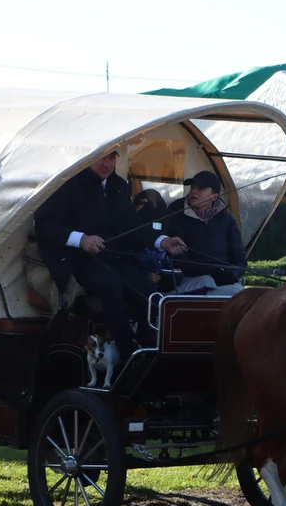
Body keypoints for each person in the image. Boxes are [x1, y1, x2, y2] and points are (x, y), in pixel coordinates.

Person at [34, 150, 187, 361]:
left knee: (146, 290)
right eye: (101, 158)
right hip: (81, 259)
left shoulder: (118, 186)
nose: (107, 164)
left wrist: (163, 241)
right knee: (111, 286)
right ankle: (127, 352)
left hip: (115, 257)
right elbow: (44, 225)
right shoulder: (68, 183)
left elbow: (134, 226)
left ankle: (150, 347)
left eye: (112, 158)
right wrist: (81, 239)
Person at [161, 170, 246, 296]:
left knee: (237, 294)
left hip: (223, 282)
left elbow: (240, 261)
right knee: (206, 282)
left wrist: (230, 274)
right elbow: (168, 255)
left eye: (201, 188)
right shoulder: (175, 212)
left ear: (214, 196)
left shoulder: (227, 219)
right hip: (187, 280)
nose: (194, 191)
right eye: (193, 187)